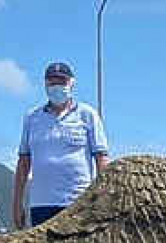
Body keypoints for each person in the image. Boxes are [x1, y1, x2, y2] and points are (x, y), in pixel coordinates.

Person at [13, 61, 109, 229]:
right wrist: (17, 203)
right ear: (45, 84)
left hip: (78, 201)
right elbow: (23, 163)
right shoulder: (32, 118)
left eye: (61, 82)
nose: (57, 86)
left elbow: (101, 159)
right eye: (52, 82)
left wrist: (102, 197)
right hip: (41, 204)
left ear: (71, 83)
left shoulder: (88, 115)